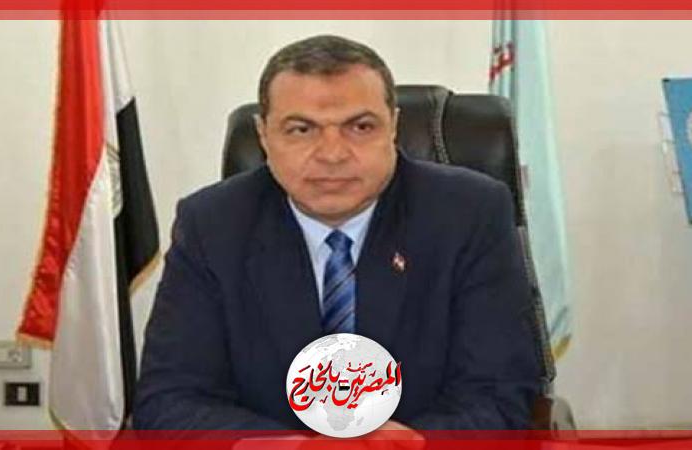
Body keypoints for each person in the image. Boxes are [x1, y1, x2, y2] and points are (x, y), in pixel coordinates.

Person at [133, 34, 541, 436]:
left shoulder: (469, 215)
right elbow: (168, 400)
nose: (332, 154)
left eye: (360, 127)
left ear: (393, 127)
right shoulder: (212, 225)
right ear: (263, 135)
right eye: (301, 130)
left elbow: (500, 395)